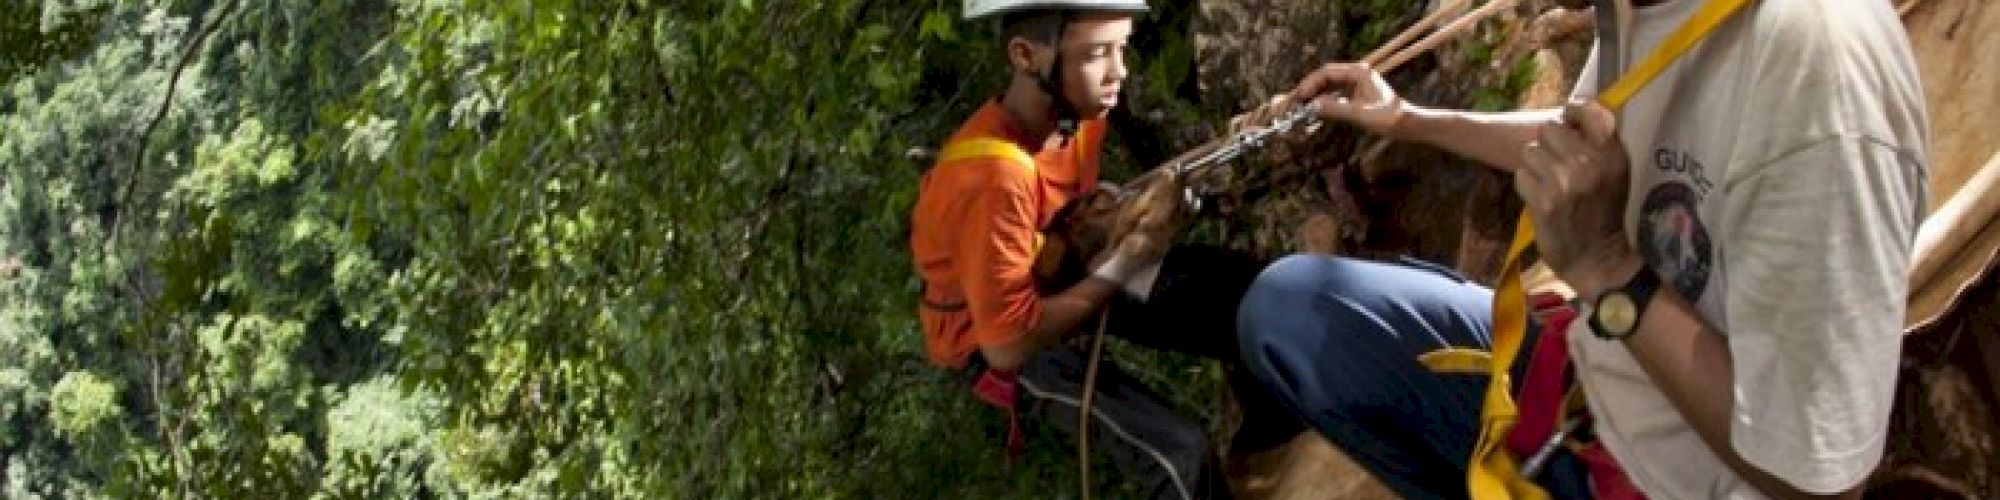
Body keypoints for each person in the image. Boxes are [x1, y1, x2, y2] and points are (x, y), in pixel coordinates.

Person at [1232, 0, 1929, 498]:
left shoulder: (1817, 73)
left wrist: (1609, 272)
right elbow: (1604, 130)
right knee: (1292, 311)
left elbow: (1820, 480)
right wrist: (1408, 119)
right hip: (1588, 379)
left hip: (1671, 473)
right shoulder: (1647, 8)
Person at [907, 1, 1298, 498]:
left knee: (1244, 295)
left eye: (1122, 48)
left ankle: (1276, 454)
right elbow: (1006, 345)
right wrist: (1124, 265)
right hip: (992, 338)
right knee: (1180, 456)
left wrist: (1109, 217)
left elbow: (1063, 218)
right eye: (1097, 55)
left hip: (1061, 270)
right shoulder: (993, 180)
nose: (1119, 73)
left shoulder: (1082, 114)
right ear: (1027, 56)